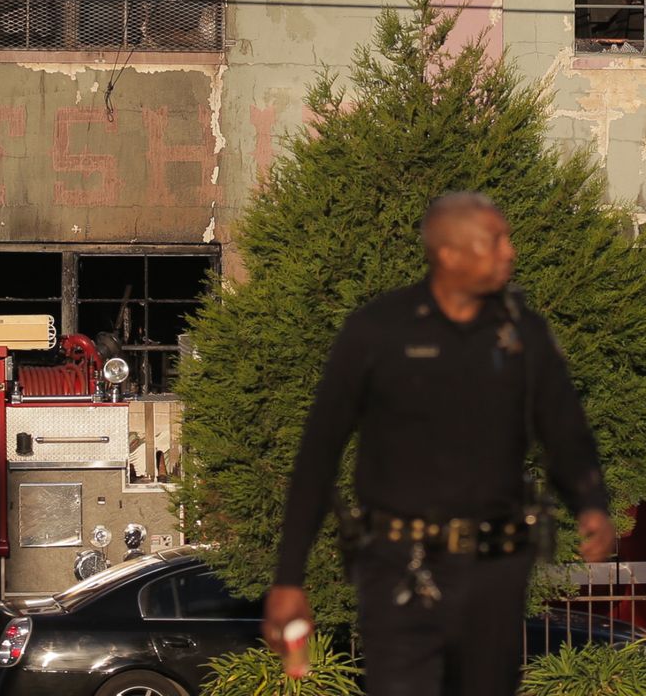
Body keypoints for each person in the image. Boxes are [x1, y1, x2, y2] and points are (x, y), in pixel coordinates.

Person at [263, 192, 614, 696]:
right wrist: (289, 578)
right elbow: (319, 451)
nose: (510, 252)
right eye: (495, 241)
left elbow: (565, 431)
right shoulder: (378, 330)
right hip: (398, 568)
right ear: (449, 254)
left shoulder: (523, 334)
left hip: (494, 571)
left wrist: (591, 505)